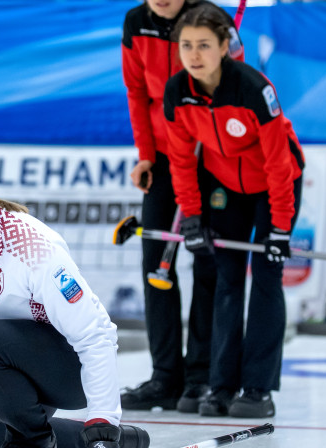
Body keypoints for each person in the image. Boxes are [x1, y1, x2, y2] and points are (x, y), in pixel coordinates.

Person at [0, 139, 150, 448]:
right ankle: (121, 442)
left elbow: (95, 333)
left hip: (68, 370)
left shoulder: (28, 244)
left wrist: (102, 417)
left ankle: (35, 439)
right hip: (6, 364)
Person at [163, 1, 305, 418]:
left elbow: (279, 163)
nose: (193, 55)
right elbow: (182, 160)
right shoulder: (177, 92)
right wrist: (191, 215)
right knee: (226, 278)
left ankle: (258, 388)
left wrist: (279, 229)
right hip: (227, 186)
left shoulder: (253, 88)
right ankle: (220, 386)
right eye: (186, 45)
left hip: (274, 184)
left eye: (204, 45)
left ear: (226, 45)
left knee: (265, 275)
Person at [120, 0, 242, 413]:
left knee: (206, 261)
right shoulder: (136, 23)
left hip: (211, 158)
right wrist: (146, 154)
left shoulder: (212, 22)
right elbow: (137, 92)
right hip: (165, 160)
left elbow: (234, 85)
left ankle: (200, 378)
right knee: (158, 266)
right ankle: (164, 378)